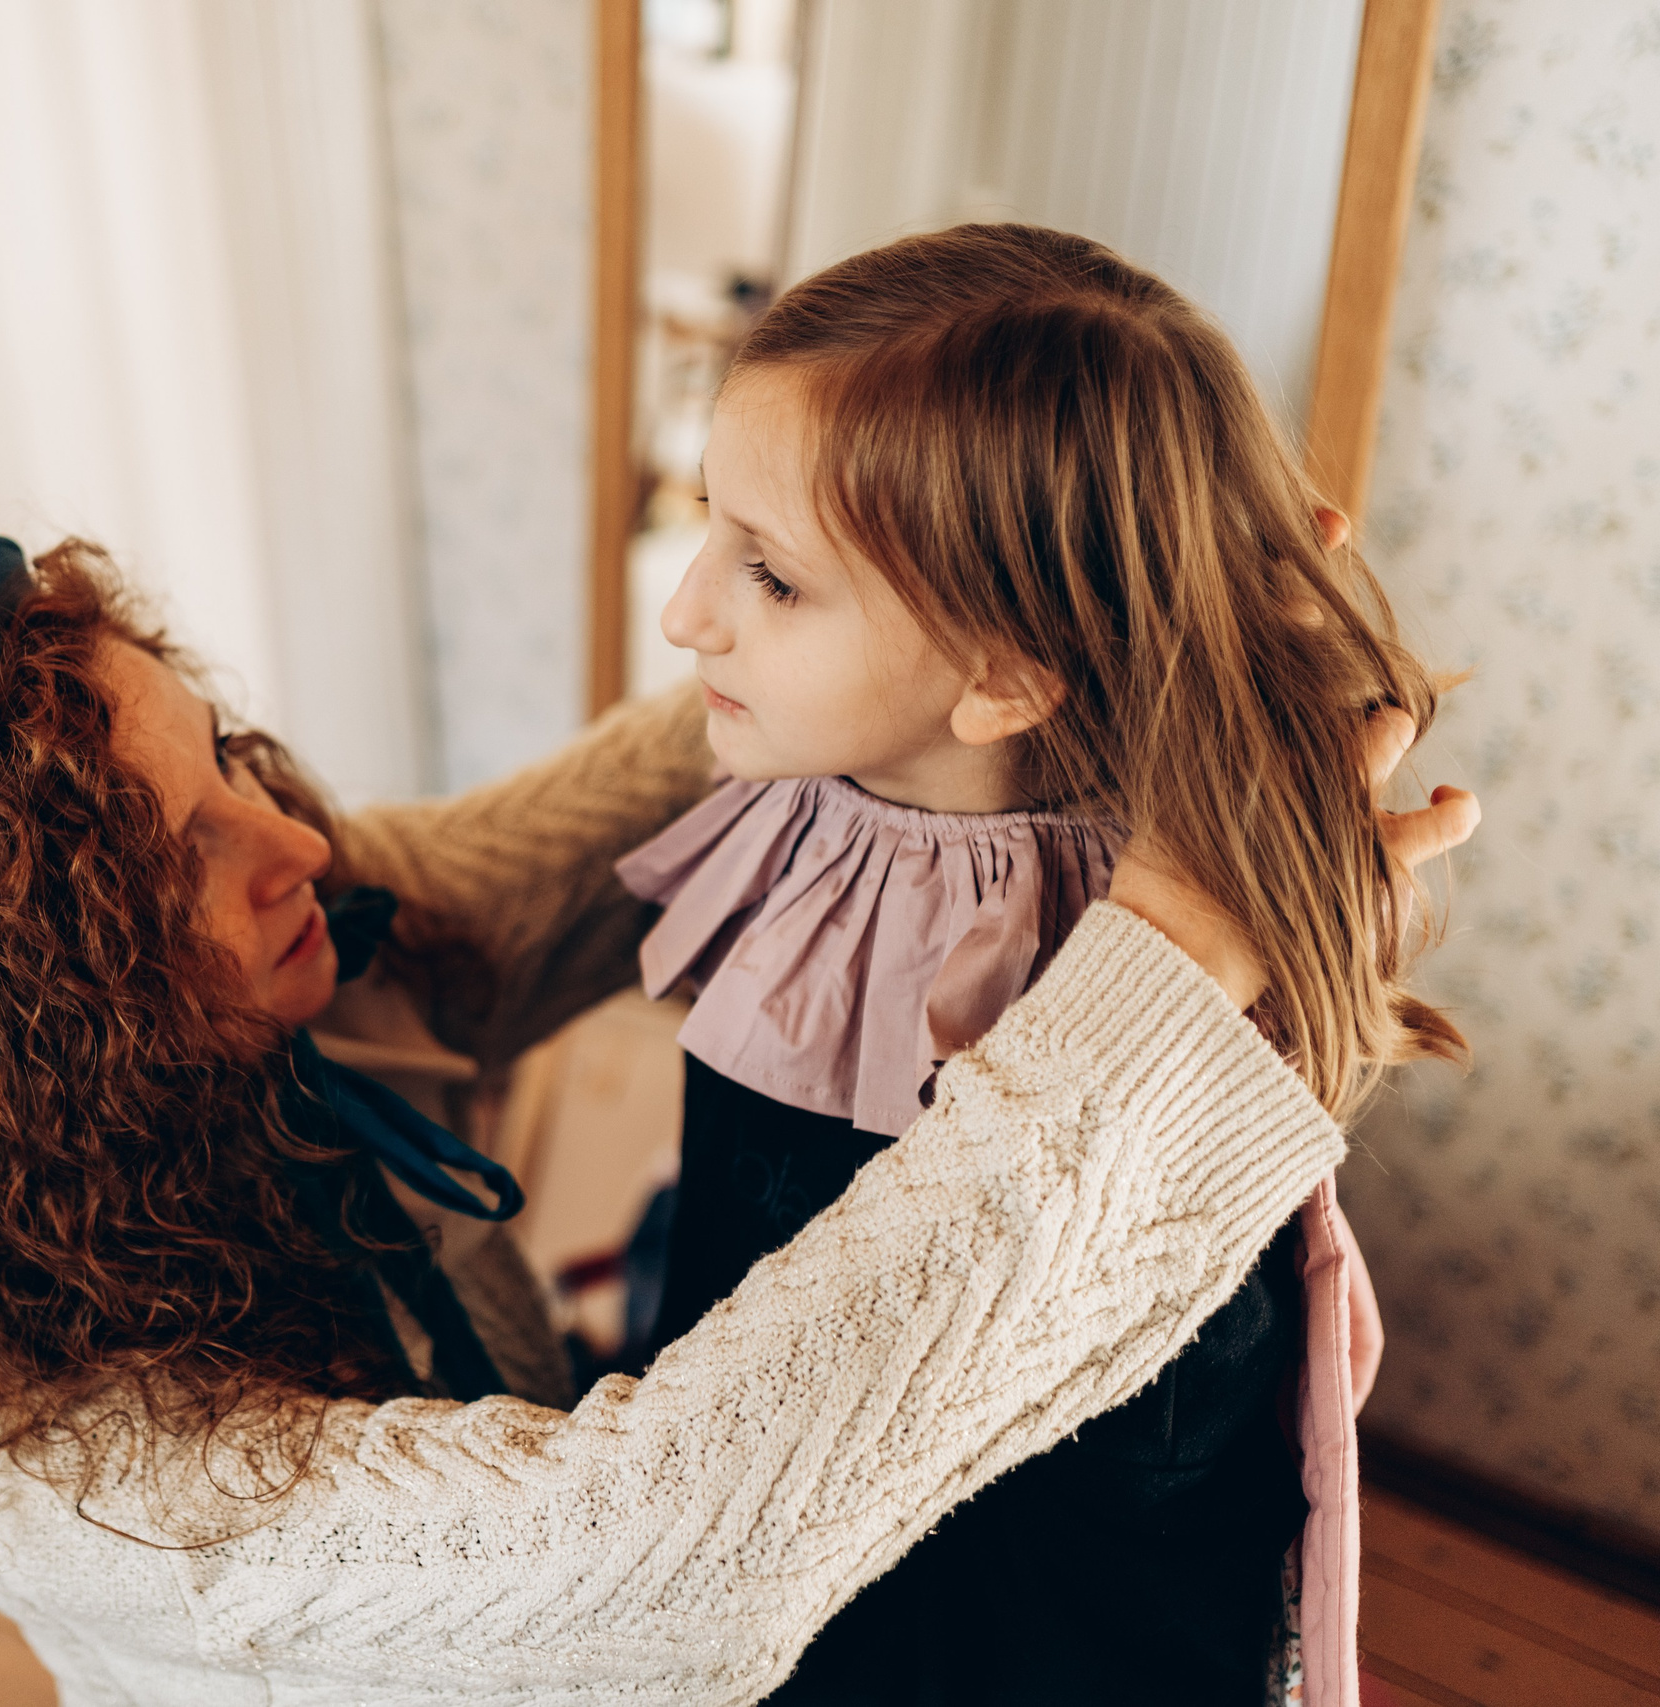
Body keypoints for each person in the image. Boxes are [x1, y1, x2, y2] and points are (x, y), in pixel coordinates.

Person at [0, 307, 1474, 1707]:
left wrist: (917, 591)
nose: (291, 845)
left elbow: (540, 850)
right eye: (173, 863)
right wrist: (1167, 960)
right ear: (31, 1007)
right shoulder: (88, 1471)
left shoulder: (290, 977)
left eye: (219, 754)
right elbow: (661, 1551)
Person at [609, 224, 1448, 1705]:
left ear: (1003, 673)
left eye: (774, 579)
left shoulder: (1133, 960)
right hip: (744, 1526)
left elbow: (1148, 1416)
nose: (686, 614)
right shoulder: (809, 779)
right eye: (707, 524)